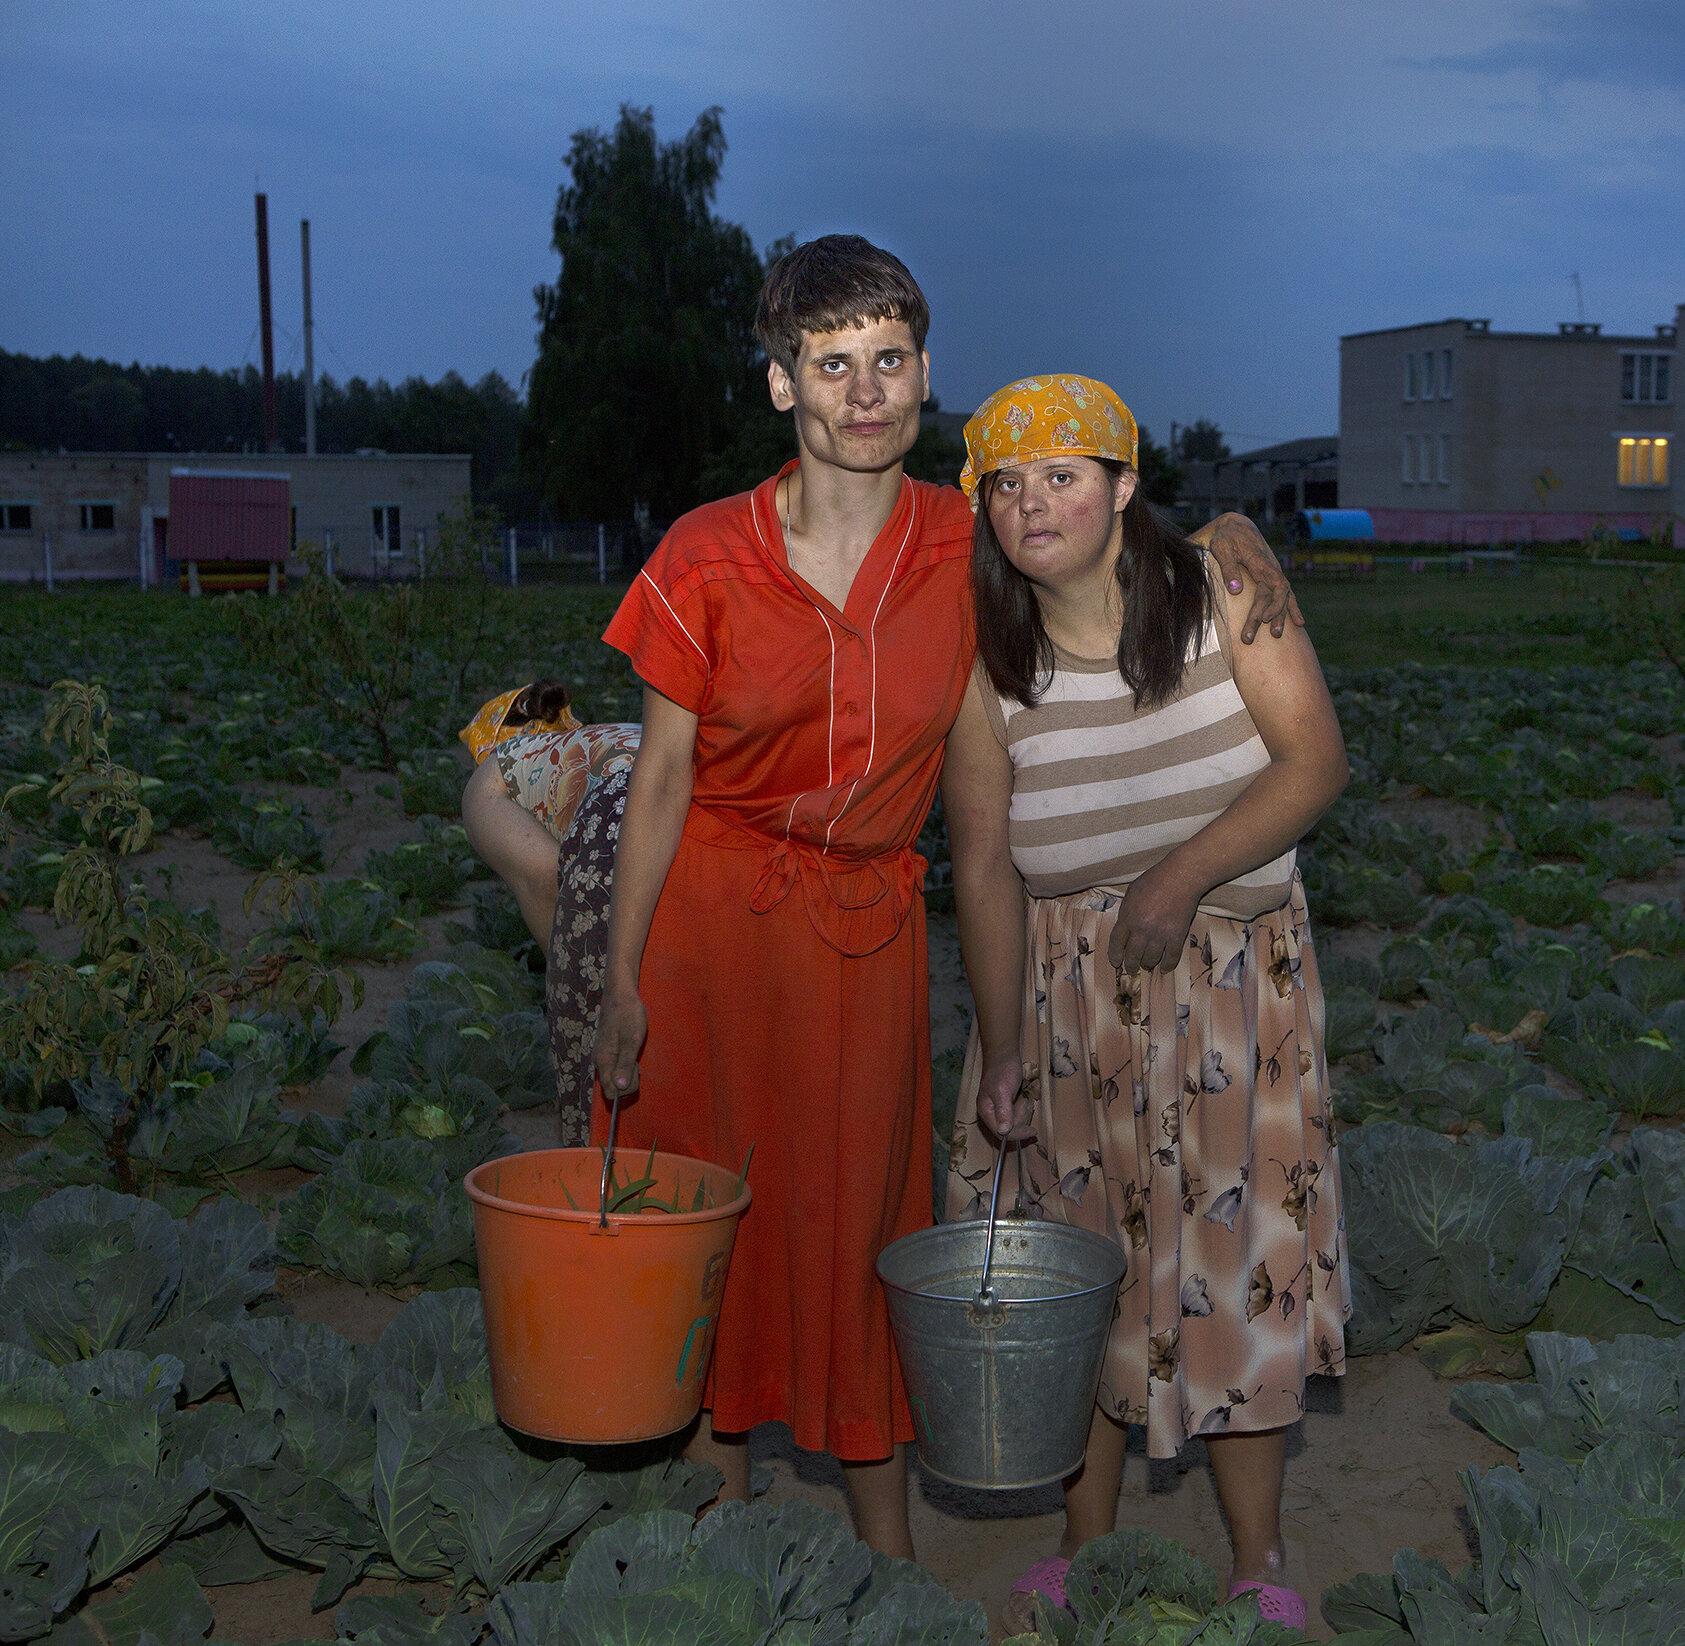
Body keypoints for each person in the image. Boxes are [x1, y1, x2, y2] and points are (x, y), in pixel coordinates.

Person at [583, 235, 1292, 1560]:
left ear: (923, 378)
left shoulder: (968, 546)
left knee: (861, 1220)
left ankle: (886, 1547)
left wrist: (1223, 547)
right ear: (782, 384)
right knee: (706, 1211)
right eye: (831, 364)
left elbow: (1098, 578)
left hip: (862, 923)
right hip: (704, 922)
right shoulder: (703, 552)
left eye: (889, 361)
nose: (864, 392)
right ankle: (712, 1514)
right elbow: (664, 779)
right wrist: (620, 978)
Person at [939, 375, 1351, 1629]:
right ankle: (1084, 1540)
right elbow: (984, 867)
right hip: (1070, 1009)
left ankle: (1259, 1554)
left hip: (1233, 984)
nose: (1032, 502)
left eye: (1063, 473)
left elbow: (1315, 761)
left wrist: (1176, 875)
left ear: (1123, 487)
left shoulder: (1226, 578)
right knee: (1084, 1272)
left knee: (1240, 1267)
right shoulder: (987, 660)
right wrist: (1001, 1045)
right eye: (1006, 484)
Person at [457, 679, 641, 953]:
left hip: (628, 817)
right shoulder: (594, 737)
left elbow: (544, 878)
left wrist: (564, 974)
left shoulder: (492, 772)